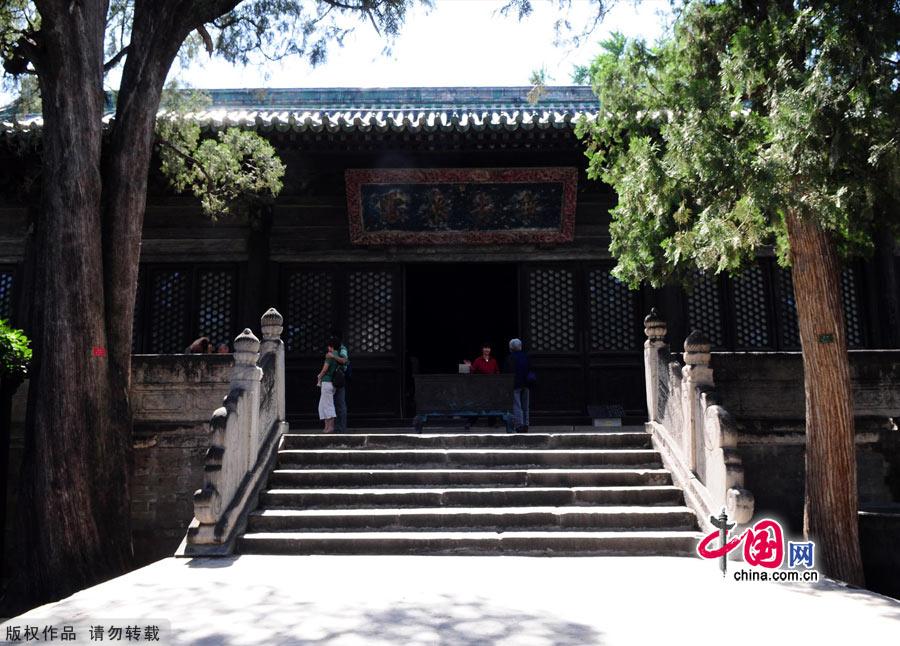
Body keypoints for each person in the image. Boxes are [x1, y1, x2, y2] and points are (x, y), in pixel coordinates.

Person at [465, 342, 500, 429]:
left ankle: (492, 423)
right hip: (480, 387)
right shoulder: (478, 360)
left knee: (491, 405)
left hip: (491, 387)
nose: (487, 349)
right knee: (478, 405)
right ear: (482, 349)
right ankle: (470, 422)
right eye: (485, 348)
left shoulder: (493, 360)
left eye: (488, 348)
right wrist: (469, 366)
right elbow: (473, 372)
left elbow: (497, 372)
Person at [507, 338, 531, 433]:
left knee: (517, 405)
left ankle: (519, 425)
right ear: (520, 347)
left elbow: (507, 372)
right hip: (526, 383)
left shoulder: (510, 358)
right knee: (526, 406)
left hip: (515, 384)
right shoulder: (526, 357)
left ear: (511, 348)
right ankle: (526, 424)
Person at [328, 331, 350, 433]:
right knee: (335, 403)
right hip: (333, 378)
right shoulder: (336, 349)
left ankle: (341, 428)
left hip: (339, 378)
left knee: (340, 403)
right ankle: (336, 427)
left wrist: (333, 357)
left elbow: (344, 360)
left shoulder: (342, 349)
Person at [316, 338, 339, 433]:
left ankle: (330, 427)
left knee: (328, 405)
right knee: (323, 405)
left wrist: (319, 376)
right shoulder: (337, 355)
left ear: (330, 347)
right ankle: (326, 426)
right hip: (331, 383)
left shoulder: (330, 356)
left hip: (327, 382)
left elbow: (325, 369)